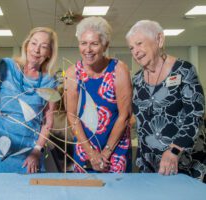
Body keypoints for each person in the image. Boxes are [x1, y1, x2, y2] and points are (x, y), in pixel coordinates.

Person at [126, 20, 206, 182]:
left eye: (139, 44)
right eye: (131, 48)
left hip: (184, 162)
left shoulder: (183, 70)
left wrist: (174, 151)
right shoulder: (137, 80)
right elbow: (141, 120)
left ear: (159, 40)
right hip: (149, 166)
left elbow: (195, 114)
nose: (135, 51)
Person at [0, 27, 58, 173]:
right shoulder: (6, 66)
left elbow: (47, 121)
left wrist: (37, 150)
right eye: (34, 43)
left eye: (43, 47)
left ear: (49, 53)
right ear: (26, 44)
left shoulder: (50, 81)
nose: (36, 50)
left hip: (29, 155)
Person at [65, 17, 133, 173]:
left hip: (116, 147)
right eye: (83, 43)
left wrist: (106, 153)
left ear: (105, 46)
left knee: (117, 194)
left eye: (94, 44)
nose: (87, 50)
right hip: (85, 146)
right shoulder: (72, 73)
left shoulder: (119, 69)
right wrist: (91, 152)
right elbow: (72, 115)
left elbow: (125, 115)